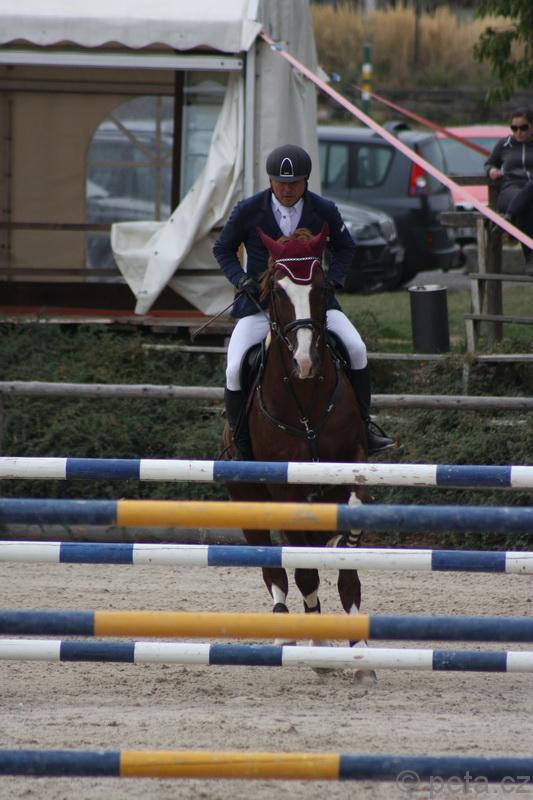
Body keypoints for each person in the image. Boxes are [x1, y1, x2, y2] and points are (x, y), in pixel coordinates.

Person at [212, 143, 395, 461]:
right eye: (280, 182)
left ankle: (364, 428)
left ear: (306, 181)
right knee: (234, 367)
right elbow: (222, 248)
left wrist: (332, 281)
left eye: (294, 183)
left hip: (314, 307)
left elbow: (346, 247)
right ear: (270, 180)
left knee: (356, 348)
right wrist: (241, 280)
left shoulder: (323, 210)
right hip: (261, 307)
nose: (287, 189)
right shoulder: (248, 210)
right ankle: (241, 442)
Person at [485, 107, 533, 271]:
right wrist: (492, 170)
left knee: (530, 190)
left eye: (523, 128)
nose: (518, 132)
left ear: (531, 126)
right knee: (525, 205)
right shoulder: (504, 144)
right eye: (514, 128)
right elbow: (490, 163)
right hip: (510, 190)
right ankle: (530, 258)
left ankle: (508, 219)